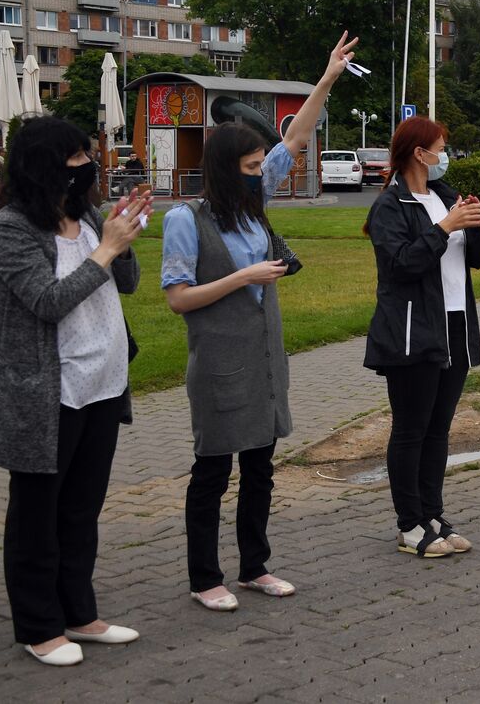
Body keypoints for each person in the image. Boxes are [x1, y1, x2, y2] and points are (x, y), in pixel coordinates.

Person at [162, 32, 356, 611]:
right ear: (226, 169)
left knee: (261, 468)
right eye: (249, 166)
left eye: (259, 166)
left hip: (266, 358)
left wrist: (326, 78)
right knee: (212, 472)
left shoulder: (254, 206)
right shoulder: (184, 220)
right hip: (220, 361)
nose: (259, 172)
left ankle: (255, 565)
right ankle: (205, 577)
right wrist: (241, 279)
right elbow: (178, 299)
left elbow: (295, 138)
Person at [0, 118, 150, 666]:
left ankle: (79, 614)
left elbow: (125, 283)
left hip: (103, 385)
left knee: (82, 510)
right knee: (38, 515)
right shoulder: (10, 228)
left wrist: (120, 237)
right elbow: (48, 301)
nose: (91, 164)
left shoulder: (83, 215)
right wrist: (105, 250)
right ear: (45, 167)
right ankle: (39, 627)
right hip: (47, 395)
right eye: (79, 158)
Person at [364, 116, 480, 558]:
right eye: (440, 149)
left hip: (454, 324)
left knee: (438, 429)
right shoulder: (390, 205)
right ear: (420, 154)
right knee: (411, 429)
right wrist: (444, 228)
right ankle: (409, 524)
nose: (445, 158)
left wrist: (477, 224)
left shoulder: (444, 195)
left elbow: (477, 258)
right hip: (412, 330)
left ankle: (432, 514)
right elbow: (402, 264)